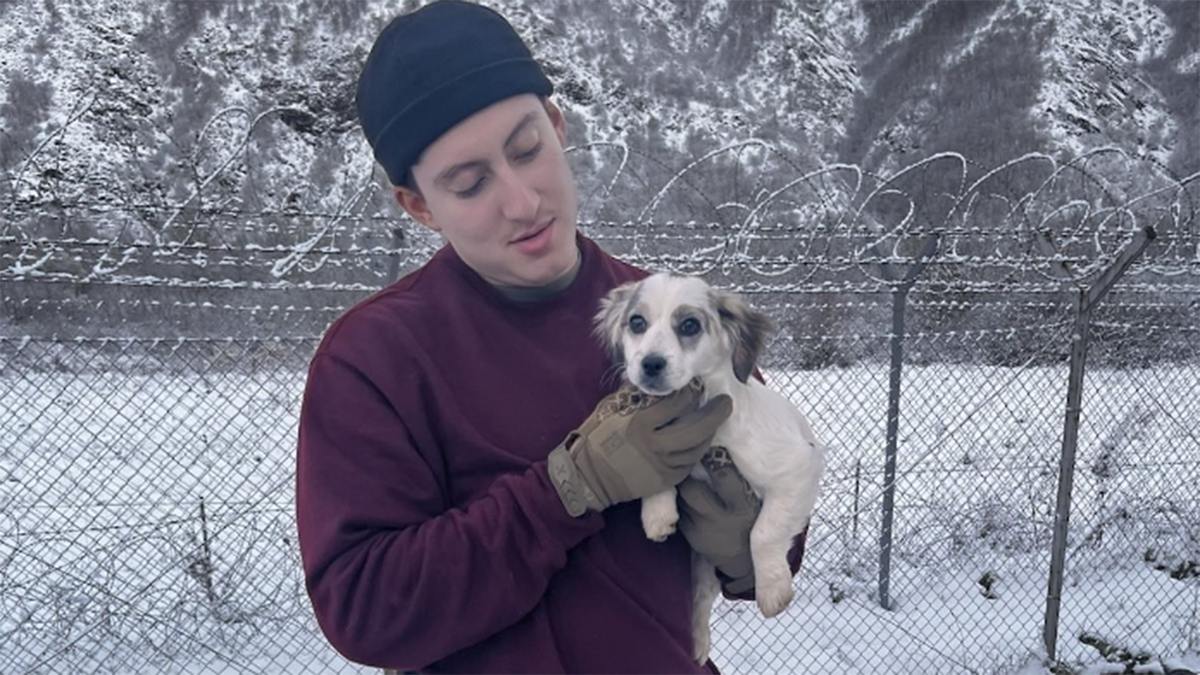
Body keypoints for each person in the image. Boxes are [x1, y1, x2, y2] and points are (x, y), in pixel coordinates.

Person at [295, 2, 806, 673]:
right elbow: (364, 607)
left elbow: (771, 506)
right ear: (419, 206)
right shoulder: (376, 357)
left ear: (558, 126)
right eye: (470, 183)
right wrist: (567, 488)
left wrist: (744, 540)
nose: (523, 200)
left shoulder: (670, 317)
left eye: (527, 148)